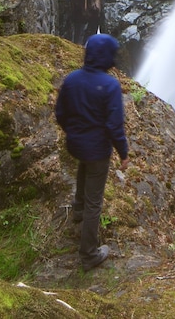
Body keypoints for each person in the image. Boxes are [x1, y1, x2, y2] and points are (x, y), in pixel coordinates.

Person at [55, 33, 130, 271]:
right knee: (94, 202)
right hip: (97, 149)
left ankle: (77, 210)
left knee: (83, 167)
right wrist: (123, 153)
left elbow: (61, 113)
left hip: (76, 144)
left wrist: (73, 132)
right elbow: (114, 126)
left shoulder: (72, 79)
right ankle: (89, 253)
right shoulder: (109, 85)